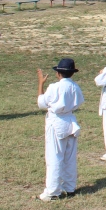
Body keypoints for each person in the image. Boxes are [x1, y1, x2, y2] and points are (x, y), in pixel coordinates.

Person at [36, 58, 84, 201]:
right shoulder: (75, 87)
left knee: (54, 157)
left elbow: (42, 103)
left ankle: (52, 191)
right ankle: (69, 187)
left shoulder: (54, 87)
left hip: (56, 121)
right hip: (70, 121)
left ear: (58, 73)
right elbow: (79, 101)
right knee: (69, 157)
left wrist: (40, 83)